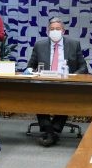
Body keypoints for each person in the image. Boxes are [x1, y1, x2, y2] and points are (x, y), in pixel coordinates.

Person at [26, 17, 88, 146]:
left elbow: (83, 67)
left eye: (58, 29)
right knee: (36, 96)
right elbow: (30, 66)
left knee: (66, 96)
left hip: (66, 83)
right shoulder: (39, 45)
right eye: (52, 29)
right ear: (48, 31)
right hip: (44, 83)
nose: (55, 31)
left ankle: (50, 131)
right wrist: (29, 71)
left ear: (63, 31)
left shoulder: (74, 44)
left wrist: (72, 76)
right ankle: (51, 131)